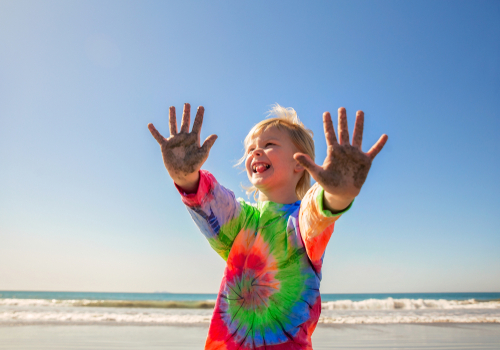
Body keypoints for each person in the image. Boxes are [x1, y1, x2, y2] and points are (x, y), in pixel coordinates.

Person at [147, 103, 388, 350]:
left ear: (299, 163)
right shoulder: (242, 221)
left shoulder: (300, 222)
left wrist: (339, 192)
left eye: (269, 145)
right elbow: (209, 202)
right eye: (251, 148)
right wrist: (186, 176)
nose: (256, 152)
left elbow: (319, 213)